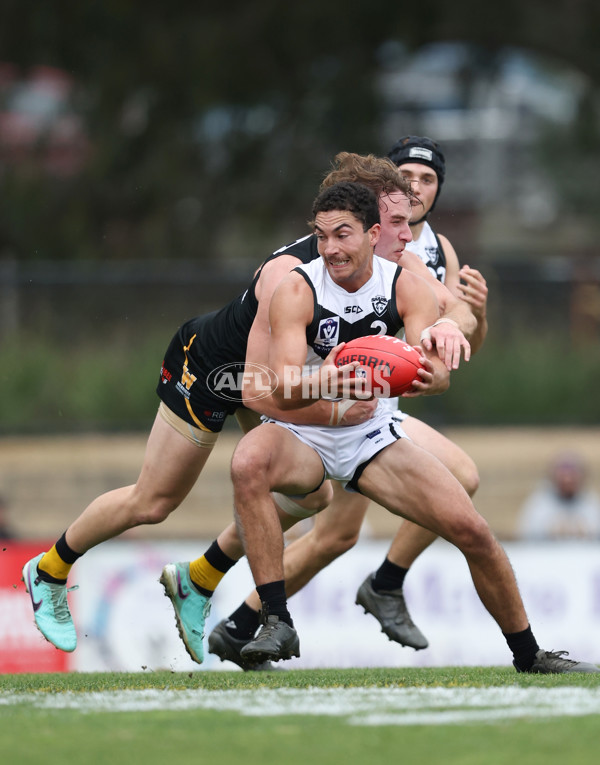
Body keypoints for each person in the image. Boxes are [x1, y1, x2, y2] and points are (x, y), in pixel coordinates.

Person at [21, 156, 468, 657]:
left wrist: (448, 325)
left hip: (284, 377)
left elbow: (445, 304)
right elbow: (260, 391)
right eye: (400, 223)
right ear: (366, 222)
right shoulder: (288, 275)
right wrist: (337, 412)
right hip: (218, 370)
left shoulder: (386, 254)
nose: (410, 236)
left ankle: (199, 577)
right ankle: (49, 569)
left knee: (312, 496)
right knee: (155, 501)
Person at [228, 180, 598, 674]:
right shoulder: (297, 288)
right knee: (247, 461)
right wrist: (329, 379)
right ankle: (276, 620)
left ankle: (531, 656)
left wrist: (430, 377)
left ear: (371, 233)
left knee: (472, 530)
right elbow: (282, 389)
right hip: (306, 433)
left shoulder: (404, 284)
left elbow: (437, 375)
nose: (331, 248)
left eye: (343, 235)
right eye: (321, 237)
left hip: (370, 435)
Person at [204, 140, 488, 669]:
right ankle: (225, 581)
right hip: (287, 395)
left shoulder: (428, 249)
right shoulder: (316, 259)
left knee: (340, 531)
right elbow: (264, 383)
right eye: (405, 181)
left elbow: (460, 320)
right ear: (376, 209)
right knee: (299, 504)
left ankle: (248, 620)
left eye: (427, 180)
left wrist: (459, 322)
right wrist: (329, 401)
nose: (416, 193)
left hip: (365, 408)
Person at [518, 452, 600, 541]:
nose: (567, 480)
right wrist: (550, 531)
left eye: (572, 478)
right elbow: (525, 534)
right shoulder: (539, 502)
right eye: (563, 477)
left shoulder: (591, 502)